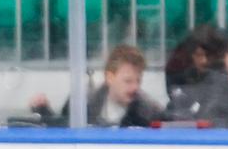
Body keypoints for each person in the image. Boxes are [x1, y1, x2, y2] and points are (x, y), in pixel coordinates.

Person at [29, 43, 163, 126]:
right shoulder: (83, 103)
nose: (135, 87)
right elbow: (62, 130)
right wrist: (43, 111)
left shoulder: (150, 112)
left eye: (138, 81)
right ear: (110, 78)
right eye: (128, 81)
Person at [163, 24, 228, 123]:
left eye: (209, 55)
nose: (204, 61)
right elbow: (173, 111)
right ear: (191, 55)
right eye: (198, 55)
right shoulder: (181, 80)